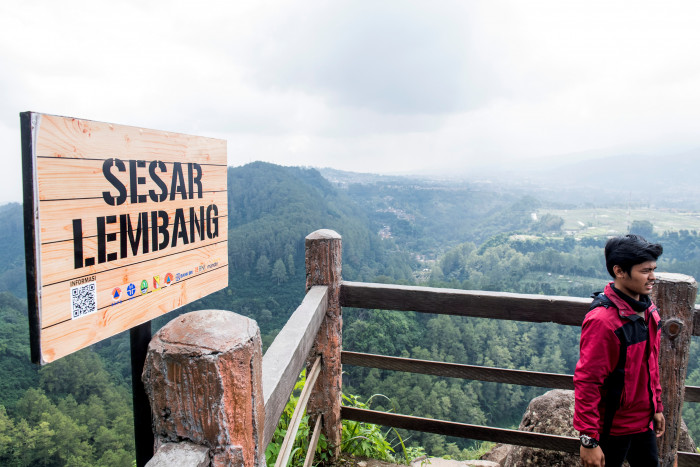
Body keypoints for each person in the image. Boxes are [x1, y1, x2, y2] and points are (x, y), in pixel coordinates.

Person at [574, 234, 665, 467]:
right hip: (611, 429)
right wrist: (589, 440)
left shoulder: (648, 310)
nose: (653, 277)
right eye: (645, 271)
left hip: (643, 424)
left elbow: (650, 364)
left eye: (653, 269)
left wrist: (656, 406)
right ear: (619, 271)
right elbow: (588, 381)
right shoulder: (603, 321)